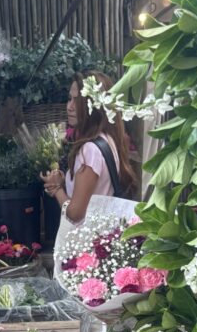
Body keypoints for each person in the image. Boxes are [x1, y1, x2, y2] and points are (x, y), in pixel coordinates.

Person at [40, 71, 137, 225]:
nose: (69, 107)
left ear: (93, 106)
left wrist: (57, 189)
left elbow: (75, 213)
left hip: (87, 242)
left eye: (77, 101)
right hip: (101, 236)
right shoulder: (109, 139)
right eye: (69, 99)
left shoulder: (90, 150)